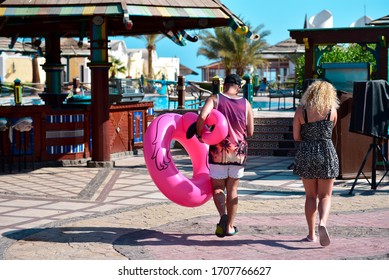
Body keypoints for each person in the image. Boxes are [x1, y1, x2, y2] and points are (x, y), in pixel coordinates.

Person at [196, 74, 254, 237]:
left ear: (225, 85)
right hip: (238, 153)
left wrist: (200, 134)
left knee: (217, 188)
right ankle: (229, 227)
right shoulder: (246, 103)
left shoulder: (215, 99)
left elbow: (202, 116)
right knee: (233, 190)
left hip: (217, 151)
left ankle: (223, 216)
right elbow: (250, 132)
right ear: (238, 87)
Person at [292, 80, 340, 246]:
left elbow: (296, 137)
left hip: (306, 153)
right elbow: (331, 130)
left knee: (310, 196)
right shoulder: (331, 111)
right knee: (325, 196)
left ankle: (311, 234)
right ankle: (323, 223)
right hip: (327, 152)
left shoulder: (301, 111)